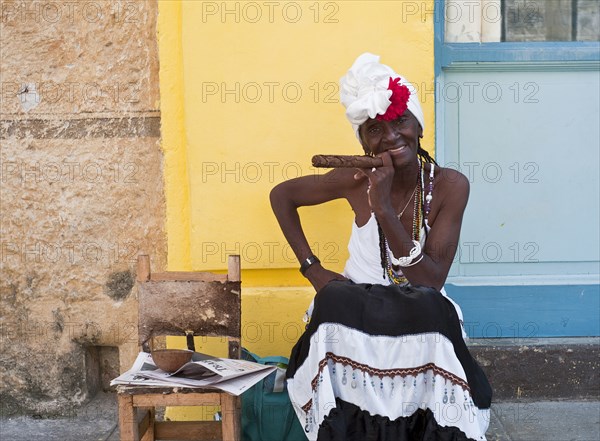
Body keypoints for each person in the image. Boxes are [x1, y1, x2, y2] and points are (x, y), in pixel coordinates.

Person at [270, 53, 492, 441]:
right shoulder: (354, 179)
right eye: (375, 129)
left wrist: (383, 207)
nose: (390, 137)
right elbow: (282, 196)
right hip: (357, 307)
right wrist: (313, 268)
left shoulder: (450, 186)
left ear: (419, 126)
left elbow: (431, 280)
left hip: (416, 314)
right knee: (332, 301)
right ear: (364, 142)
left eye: (400, 122)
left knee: (430, 307)